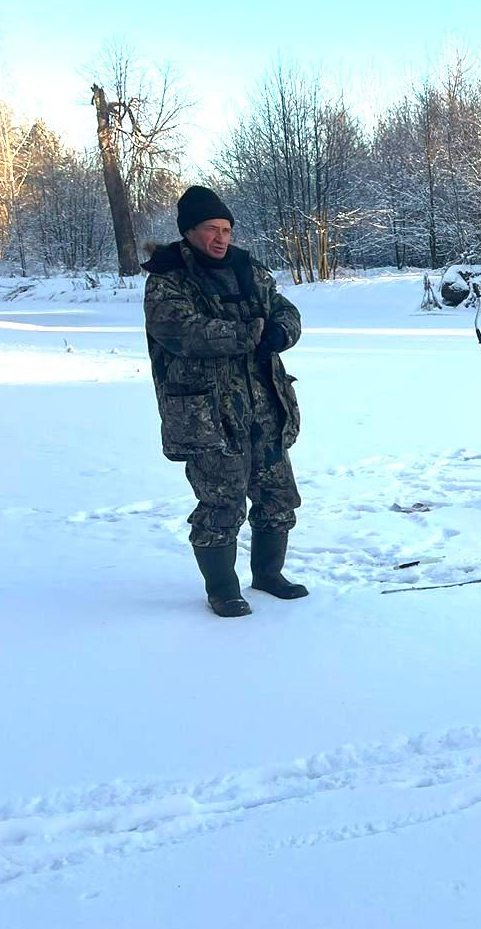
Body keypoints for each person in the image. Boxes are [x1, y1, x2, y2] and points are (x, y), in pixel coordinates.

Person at [142, 185, 308, 617]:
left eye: (227, 229)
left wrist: (280, 332)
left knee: (277, 496)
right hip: (208, 415)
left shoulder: (249, 270)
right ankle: (222, 588)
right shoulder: (167, 279)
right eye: (212, 229)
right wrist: (253, 331)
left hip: (264, 405)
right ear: (189, 232)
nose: (221, 238)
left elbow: (287, 312)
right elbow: (183, 332)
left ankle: (269, 575)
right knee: (221, 503)